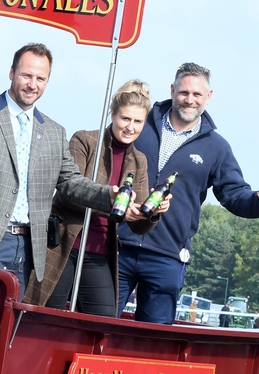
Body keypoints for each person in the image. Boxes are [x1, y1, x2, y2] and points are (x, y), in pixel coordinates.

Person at [0, 43, 114, 295]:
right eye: (27, 75)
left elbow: (70, 182)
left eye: (41, 78)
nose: (33, 84)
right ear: (11, 73)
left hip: (29, 248)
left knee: (10, 329)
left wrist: (108, 195)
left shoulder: (55, 132)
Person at [117, 62, 259, 324]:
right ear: (172, 90)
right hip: (117, 247)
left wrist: (257, 200)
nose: (189, 100)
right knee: (97, 328)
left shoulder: (216, 147)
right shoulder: (139, 124)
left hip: (167, 256)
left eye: (197, 95)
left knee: (152, 341)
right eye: (184, 93)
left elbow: (233, 193)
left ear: (209, 97)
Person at [23, 79, 164, 315]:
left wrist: (151, 213)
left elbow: (138, 225)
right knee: (46, 317)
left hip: (100, 253)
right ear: (113, 115)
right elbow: (69, 192)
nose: (130, 127)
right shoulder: (84, 141)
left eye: (138, 121)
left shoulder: (140, 160)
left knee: (103, 321)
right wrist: (112, 202)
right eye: (125, 119)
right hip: (62, 246)